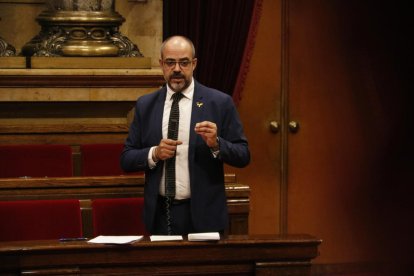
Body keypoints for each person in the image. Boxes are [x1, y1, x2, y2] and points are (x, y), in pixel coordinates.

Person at [120, 35, 250, 235]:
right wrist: (154, 153)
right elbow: (127, 159)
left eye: (184, 62)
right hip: (160, 216)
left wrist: (216, 144)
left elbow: (243, 155)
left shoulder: (219, 102)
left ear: (194, 64)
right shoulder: (146, 105)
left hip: (205, 215)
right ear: (162, 64)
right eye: (170, 62)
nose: (177, 69)